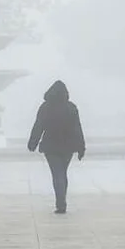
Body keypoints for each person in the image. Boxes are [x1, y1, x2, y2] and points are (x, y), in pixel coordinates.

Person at [27, 79, 86, 214]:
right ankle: (62, 201)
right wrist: (81, 147)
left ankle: (61, 203)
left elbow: (38, 126)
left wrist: (33, 143)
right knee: (62, 173)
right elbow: (78, 128)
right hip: (68, 146)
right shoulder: (71, 107)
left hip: (51, 146)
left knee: (57, 173)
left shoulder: (45, 107)